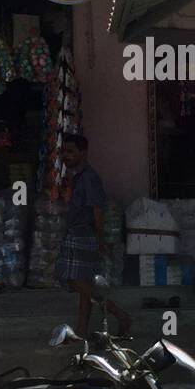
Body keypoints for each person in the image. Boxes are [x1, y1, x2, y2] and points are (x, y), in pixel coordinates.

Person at [56, 134, 132, 338]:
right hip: (78, 233)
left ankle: (120, 314)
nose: (66, 156)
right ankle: (81, 331)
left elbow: (98, 210)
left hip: (82, 235)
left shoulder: (89, 177)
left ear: (83, 152)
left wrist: (100, 239)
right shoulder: (77, 177)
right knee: (84, 288)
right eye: (64, 151)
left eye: (71, 151)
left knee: (72, 280)